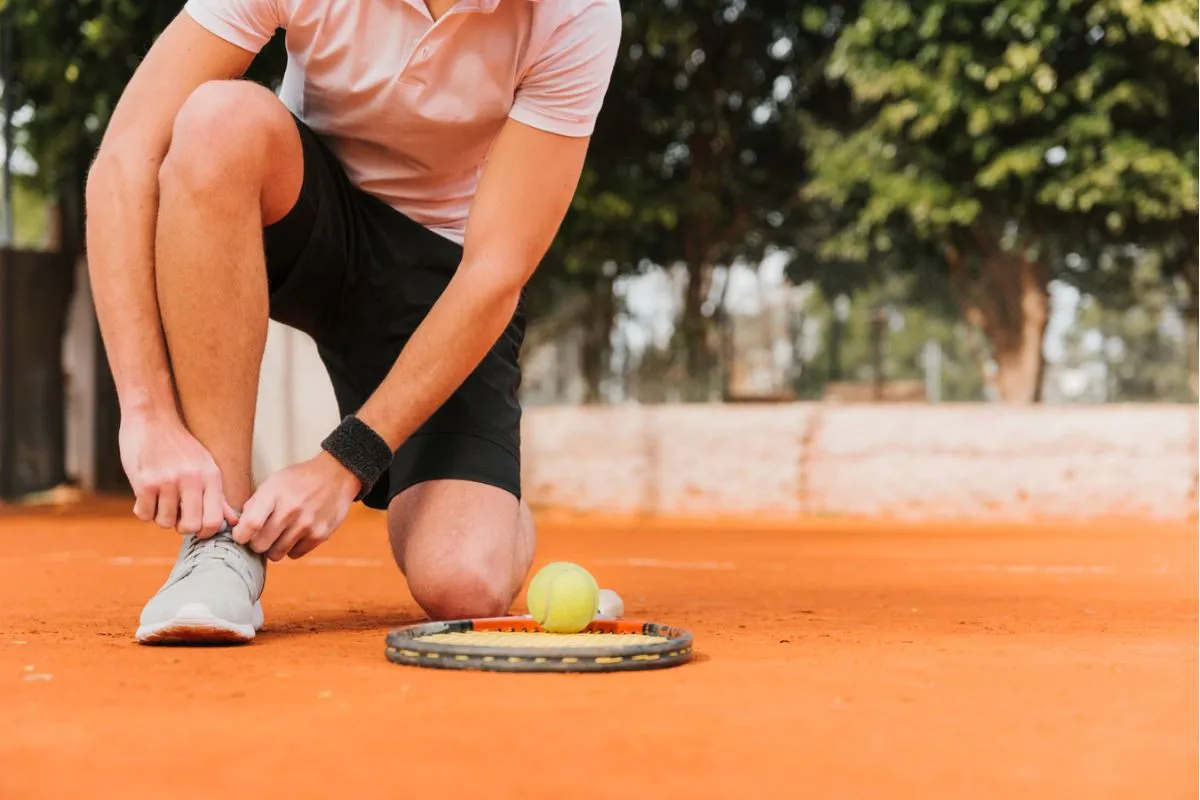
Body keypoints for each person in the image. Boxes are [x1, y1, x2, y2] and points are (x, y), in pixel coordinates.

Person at [84, 0, 622, 644]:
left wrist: (347, 463)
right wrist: (146, 413)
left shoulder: (578, 14)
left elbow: (496, 270)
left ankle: (497, 509)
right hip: (305, 214)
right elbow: (125, 155)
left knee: (461, 584)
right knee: (216, 120)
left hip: (442, 281)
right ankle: (217, 544)